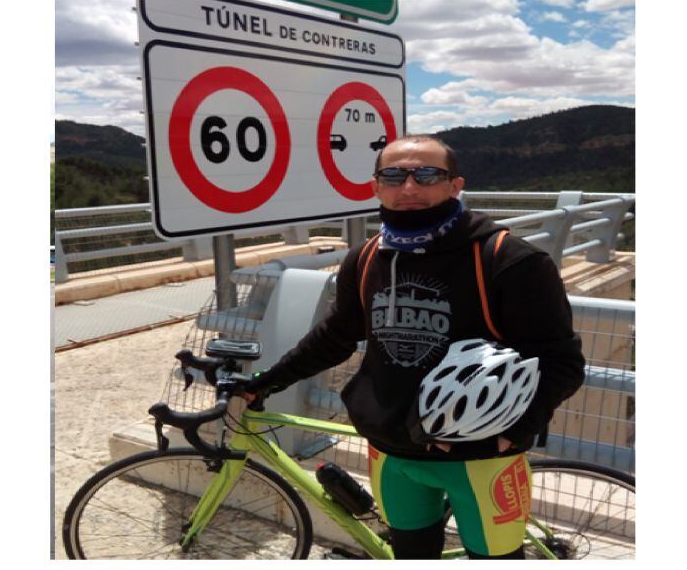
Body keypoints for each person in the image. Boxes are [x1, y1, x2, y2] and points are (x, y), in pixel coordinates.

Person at [243, 135, 585, 559]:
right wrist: (265, 381)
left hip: (481, 458)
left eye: (427, 175)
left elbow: (562, 363)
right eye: (393, 176)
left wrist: (510, 435)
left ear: (455, 185)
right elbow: (335, 337)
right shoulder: (365, 258)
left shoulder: (508, 259)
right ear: (375, 187)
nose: (409, 187)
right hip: (392, 451)